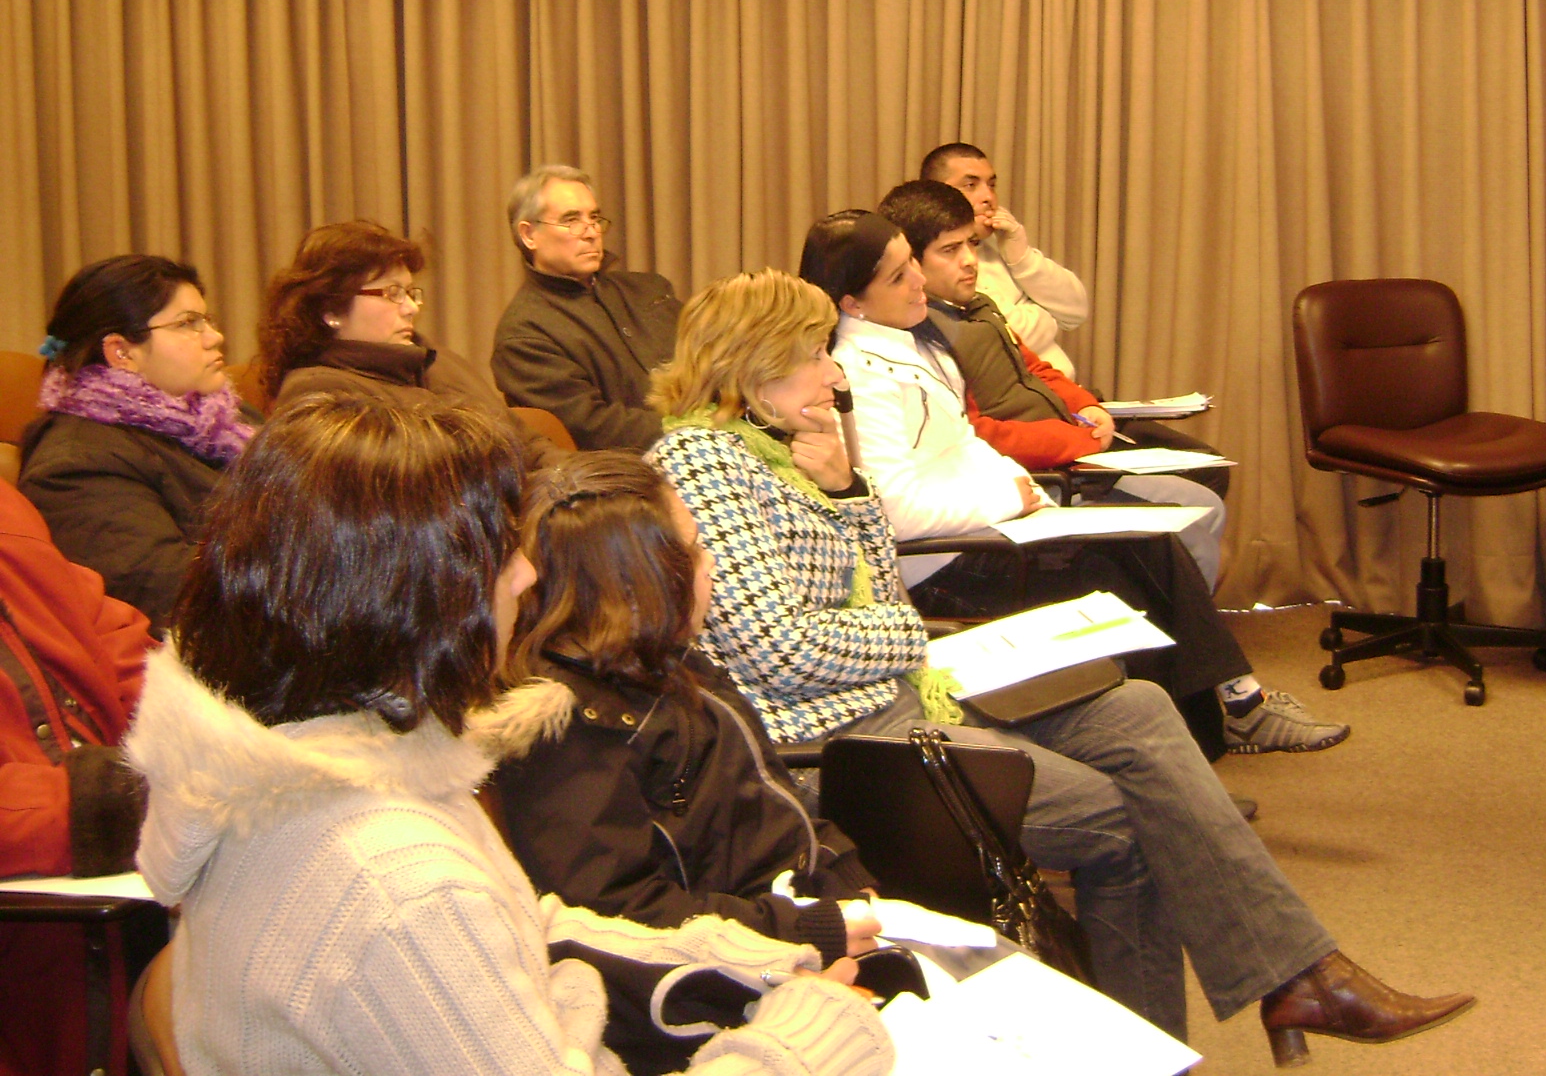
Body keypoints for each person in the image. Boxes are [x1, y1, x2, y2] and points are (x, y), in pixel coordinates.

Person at [643, 268, 1468, 1057]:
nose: (833, 371)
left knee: (1134, 707)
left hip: (894, 694)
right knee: (1120, 820)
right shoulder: (703, 463)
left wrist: (852, 492)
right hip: (835, 740)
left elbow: (872, 590)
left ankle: (1295, 977)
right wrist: (907, 636)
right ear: (754, 371)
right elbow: (779, 649)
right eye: (814, 354)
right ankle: (1206, 1024)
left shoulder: (786, 449)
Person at [123, 395, 891, 1076]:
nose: (526, 576)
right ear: (411, 596)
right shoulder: (401, 883)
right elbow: (453, 929)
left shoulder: (308, 762)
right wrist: (804, 1040)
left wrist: (758, 959)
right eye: (498, 551)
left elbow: (530, 925)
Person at [802, 212, 1344, 758]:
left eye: (913, 265)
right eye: (898, 277)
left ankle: (1231, 717)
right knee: (1126, 579)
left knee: (1154, 545)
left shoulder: (916, 344)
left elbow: (966, 442)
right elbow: (893, 510)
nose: (919, 281)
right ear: (852, 303)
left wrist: (1021, 487)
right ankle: (1212, 735)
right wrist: (1008, 498)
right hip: (949, 561)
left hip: (999, 524)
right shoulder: (861, 377)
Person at [494, 451, 885, 966]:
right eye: (695, 550)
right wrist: (799, 930)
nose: (711, 564)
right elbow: (617, 915)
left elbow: (772, 793)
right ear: (648, 586)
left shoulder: (666, 659)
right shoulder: (569, 738)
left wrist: (848, 877)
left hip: (797, 912)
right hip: (743, 971)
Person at [878, 179, 1230, 587]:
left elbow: (1036, 371)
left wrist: (1086, 407)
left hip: (1070, 453)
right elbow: (978, 434)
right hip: (1041, 474)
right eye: (951, 251)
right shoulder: (926, 337)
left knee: (1207, 503)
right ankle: (1177, 638)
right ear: (913, 264)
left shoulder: (980, 306)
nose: (970, 260)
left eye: (972, 244)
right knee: (1196, 526)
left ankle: (1181, 630)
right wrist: (1076, 441)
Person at [0, 478, 155, 1076]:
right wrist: (111, 801)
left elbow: (109, 629)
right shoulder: (77, 462)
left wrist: (188, 739)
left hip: (118, 911)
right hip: (38, 961)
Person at [17, 255, 254, 626]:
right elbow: (175, 596)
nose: (215, 337)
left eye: (206, 319)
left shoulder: (230, 418)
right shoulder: (76, 466)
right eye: (188, 323)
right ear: (121, 352)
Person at [258, 219, 554, 469]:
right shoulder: (316, 395)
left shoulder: (439, 361)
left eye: (411, 292)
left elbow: (528, 445)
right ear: (331, 310)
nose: (411, 307)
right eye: (393, 293)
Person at [492, 164, 682, 451]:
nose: (591, 232)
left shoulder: (650, 289)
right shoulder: (524, 336)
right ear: (529, 235)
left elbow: (709, 362)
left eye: (593, 218)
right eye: (571, 220)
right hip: (631, 479)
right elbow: (593, 429)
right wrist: (698, 428)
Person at [921, 143, 1089, 377]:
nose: (988, 197)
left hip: (1064, 399)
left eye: (991, 185)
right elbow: (1005, 335)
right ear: (935, 194)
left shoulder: (1000, 245)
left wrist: (1021, 257)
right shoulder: (933, 257)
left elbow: (1075, 311)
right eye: (971, 185)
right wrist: (1048, 317)